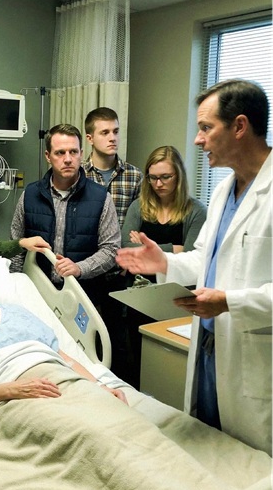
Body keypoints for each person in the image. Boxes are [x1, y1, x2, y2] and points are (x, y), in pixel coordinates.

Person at [116, 79, 271, 455]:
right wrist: (164, 261)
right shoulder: (223, 190)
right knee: (209, 451)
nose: (198, 140)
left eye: (206, 127)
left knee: (251, 472)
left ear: (239, 126)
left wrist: (229, 302)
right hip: (208, 350)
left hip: (254, 359)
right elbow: (206, 258)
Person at [0, 245, 127, 411]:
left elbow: (64, 358)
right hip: (15, 403)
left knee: (117, 415)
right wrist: (14, 390)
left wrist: (99, 387)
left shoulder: (17, 313)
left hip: (62, 383)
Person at [120, 146, 207, 387]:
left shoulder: (196, 211)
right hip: (140, 293)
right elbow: (126, 245)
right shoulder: (139, 207)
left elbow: (192, 256)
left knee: (169, 363)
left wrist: (150, 248)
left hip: (175, 297)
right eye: (153, 177)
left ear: (178, 176)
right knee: (137, 359)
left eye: (165, 177)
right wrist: (173, 248)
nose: (158, 184)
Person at [10, 124, 120, 307]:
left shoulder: (101, 198)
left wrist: (80, 268)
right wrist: (17, 291)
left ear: (81, 154)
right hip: (37, 295)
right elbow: (16, 247)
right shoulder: (29, 195)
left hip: (83, 297)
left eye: (73, 152)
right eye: (60, 153)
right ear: (48, 156)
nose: (68, 159)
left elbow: (111, 250)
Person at [82, 107, 143, 376]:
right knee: (84, 338)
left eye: (116, 131)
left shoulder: (134, 177)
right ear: (89, 138)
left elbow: (138, 226)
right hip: (85, 268)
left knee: (118, 343)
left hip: (119, 273)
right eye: (105, 132)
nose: (112, 138)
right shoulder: (78, 175)